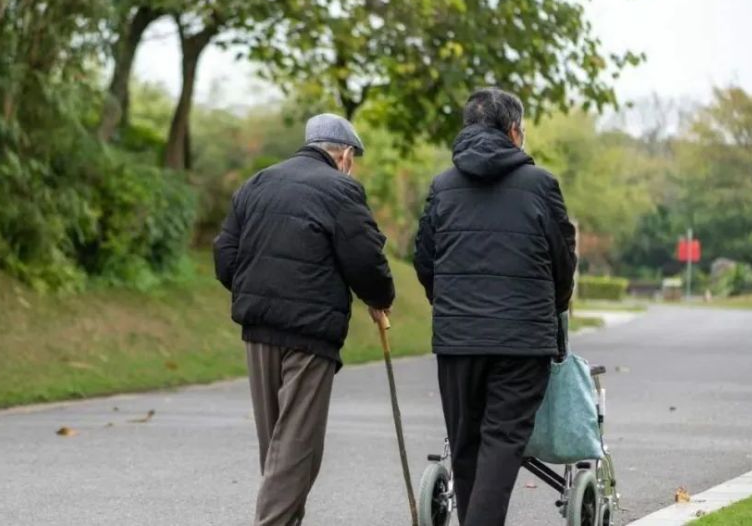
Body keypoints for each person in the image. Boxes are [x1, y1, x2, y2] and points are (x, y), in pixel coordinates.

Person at [213, 113, 395, 526]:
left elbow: (225, 257)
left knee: (277, 446)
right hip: (310, 334)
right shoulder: (342, 190)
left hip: (259, 332)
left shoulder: (257, 183)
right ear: (345, 155)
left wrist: (254, 292)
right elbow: (365, 259)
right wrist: (380, 298)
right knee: (296, 447)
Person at [413, 88, 577, 526]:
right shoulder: (541, 185)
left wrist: (450, 306)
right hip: (522, 342)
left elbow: (425, 261)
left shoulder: (443, 188)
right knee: (503, 442)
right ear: (513, 132)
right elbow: (564, 263)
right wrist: (554, 307)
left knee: (465, 444)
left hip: (458, 340)